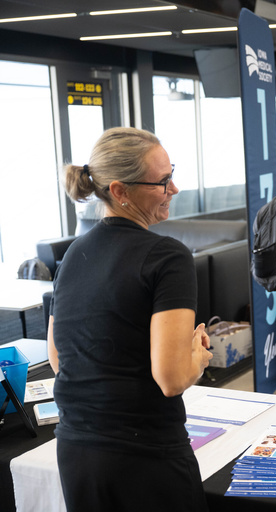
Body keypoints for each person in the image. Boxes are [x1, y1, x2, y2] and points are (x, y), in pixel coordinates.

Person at [47, 127, 212, 511]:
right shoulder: (168, 257)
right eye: (163, 181)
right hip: (144, 457)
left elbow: (59, 359)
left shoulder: (73, 254)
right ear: (120, 191)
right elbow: (171, 380)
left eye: (172, 174)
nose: (174, 189)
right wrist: (198, 357)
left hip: (77, 454)